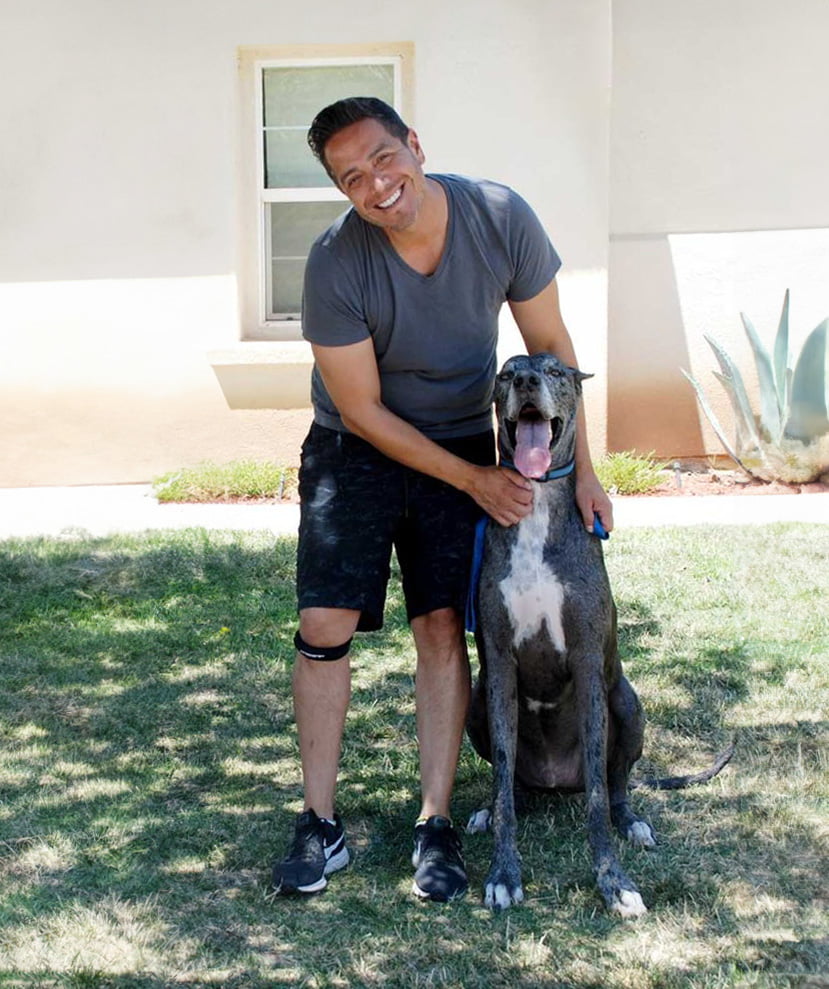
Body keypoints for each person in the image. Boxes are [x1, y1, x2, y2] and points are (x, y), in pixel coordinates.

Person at [271, 97, 613, 902]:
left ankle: (434, 823)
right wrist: (474, 479)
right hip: (355, 447)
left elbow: (551, 353)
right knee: (324, 623)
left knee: (438, 623)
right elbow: (361, 409)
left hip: (464, 436)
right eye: (351, 177)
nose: (375, 183)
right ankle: (318, 820)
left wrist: (584, 470)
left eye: (383, 158)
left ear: (414, 146)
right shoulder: (334, 261)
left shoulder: (499, 216)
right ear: (341, 190)